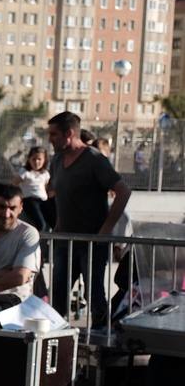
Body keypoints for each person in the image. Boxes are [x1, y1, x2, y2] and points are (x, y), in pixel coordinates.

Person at [48, 111, 132, 325]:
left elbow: (123, 191)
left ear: (69, 133)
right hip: (64, 241)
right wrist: (57, 226)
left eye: (54, 134)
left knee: (93, 294)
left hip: (92, 242)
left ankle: (100, 337)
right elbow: (58, 195)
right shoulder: (57, 160)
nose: (50, 139)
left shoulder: (94, 159)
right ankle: (56, 339)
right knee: (57, 293)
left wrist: (106, 230)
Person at [18, 146, 53, 232]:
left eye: (39, 159)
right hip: (30, 201)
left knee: (52, 221)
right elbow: (14, 184)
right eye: (34, 159)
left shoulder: (45, 173)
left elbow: (46, 187)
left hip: (43, 201)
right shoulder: (25, 171)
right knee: (41, 224)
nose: (36, 162)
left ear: (44, 160)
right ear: (29, 159)